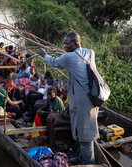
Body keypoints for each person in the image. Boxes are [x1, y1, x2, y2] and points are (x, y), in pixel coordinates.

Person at [38, 32, 99, 164]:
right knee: (86, 130)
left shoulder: (68, 57)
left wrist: (43, 54)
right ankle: (82, 158)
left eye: (67, 43)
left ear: (76, 43)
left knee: (85, 135)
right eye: (64, 43)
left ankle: (89, 163)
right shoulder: (90, 52)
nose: (64, 45)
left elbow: (52, 61)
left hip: (82, 101)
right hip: (93, 98)